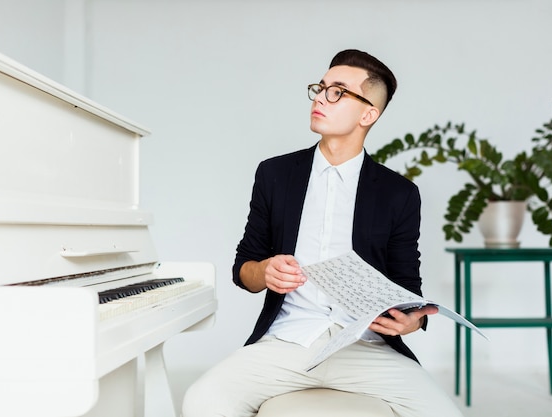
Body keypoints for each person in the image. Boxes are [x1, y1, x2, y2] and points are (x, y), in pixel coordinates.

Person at [182, 49, 463, 417]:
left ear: (368, 114)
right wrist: (264, 270)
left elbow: (407, 283)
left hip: (366, 348)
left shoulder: (399, 193)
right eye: (321, 87)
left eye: (337, 91)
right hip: (287, 342)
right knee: (201, 401)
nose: (320, 97)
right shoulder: (275, 175)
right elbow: (244, 270)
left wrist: (415, 319)